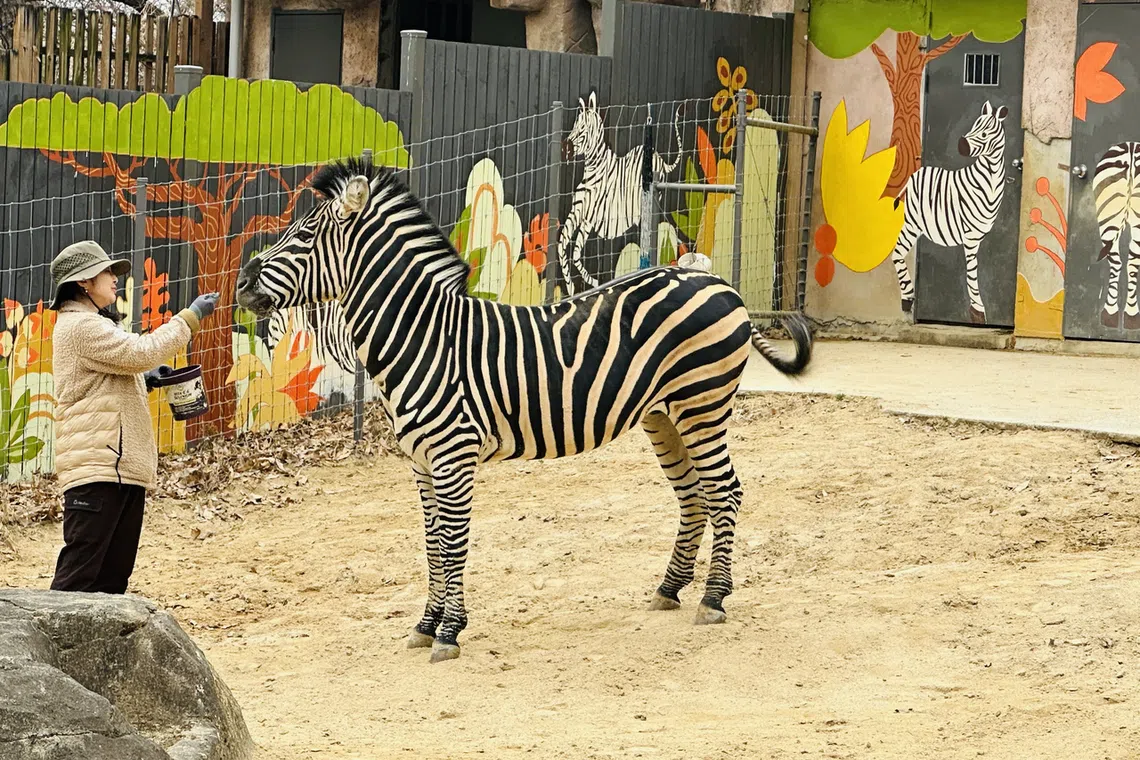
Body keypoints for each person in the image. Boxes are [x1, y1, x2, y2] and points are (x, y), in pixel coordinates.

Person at [47, 240, 219, 594]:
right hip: (98, 468)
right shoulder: (81, 326)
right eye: (106, 271)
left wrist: (146, 379)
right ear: (83, 282)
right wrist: (189, 317)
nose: (115, 278)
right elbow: (141, 352)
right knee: (77, 581)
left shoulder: (91, 324)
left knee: (111, 581)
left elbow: (110, 376)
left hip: (116, 468)